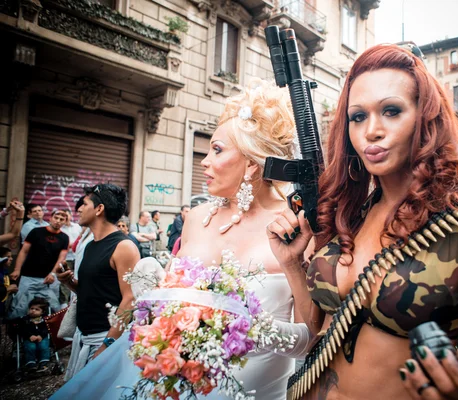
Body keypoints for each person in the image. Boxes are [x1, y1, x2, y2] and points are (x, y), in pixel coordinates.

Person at [268, 44, 458, 400]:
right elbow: (318, 330)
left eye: (391, 111)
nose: (371, 131)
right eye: (357, 117)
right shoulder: (347, 215)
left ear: (424, 119)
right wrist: (293, 264)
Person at [50, 79, 312, 400]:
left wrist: (248, 325)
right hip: (173, 387)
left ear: (252, 165)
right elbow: (165, 306)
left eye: (216, 150)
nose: (203, 160)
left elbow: (310, 340)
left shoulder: (295, 227)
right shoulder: (196, 218)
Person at [54, 183, 140, 383]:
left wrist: (107, 345)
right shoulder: (89, 245)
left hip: (104, 338)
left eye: (84, 204)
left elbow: (130, 299)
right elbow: (92, 289)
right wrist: (70, 283)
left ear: (99, 209)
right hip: (84, 335)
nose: (78, 209)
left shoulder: (123, 246)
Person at [8, 210, 69, 318]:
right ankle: (15, 332)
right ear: (50, 218)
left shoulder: (64, 238)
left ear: (65, 222)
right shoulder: (36, 232)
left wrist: (53, 274)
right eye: (56, 217)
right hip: (29, 276)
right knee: (19, 308)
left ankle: (48, 333)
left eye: (61, 219)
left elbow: (61, 258)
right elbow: (24, 251)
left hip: (49, 280)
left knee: (54, 308)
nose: (58, 221)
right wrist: (17, 269)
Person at [18, 297, 51, 372]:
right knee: (30, 347)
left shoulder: (44, 320)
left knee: (43, 346)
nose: (33, 311)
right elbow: (22, 329)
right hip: (29, 338)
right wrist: (29, 336)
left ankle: (44, 363)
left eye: (37, 309)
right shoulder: (25, 320)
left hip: (41, 337)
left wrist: (41, 335)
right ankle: (31, 364)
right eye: (31, 308)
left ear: (42, 312)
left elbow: (46, 329)